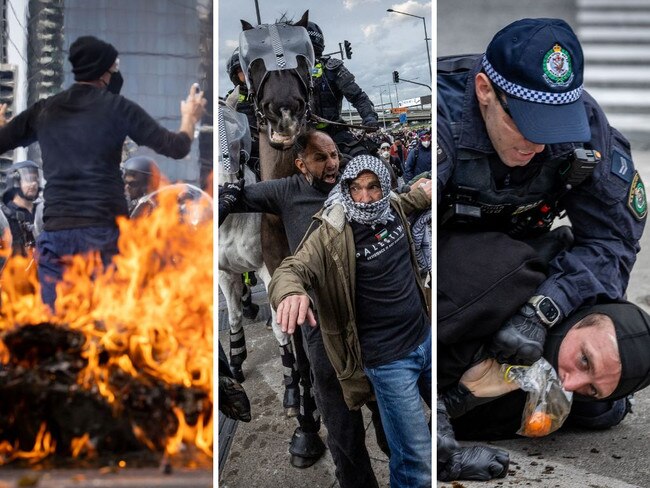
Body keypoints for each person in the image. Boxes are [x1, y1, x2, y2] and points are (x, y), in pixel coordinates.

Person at [437, 17, 647, 480]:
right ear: (484, 91)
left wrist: (546, 309)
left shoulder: (583, 125)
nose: (538, 142)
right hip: (443, 273)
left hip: (517, 270)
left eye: (553, 125)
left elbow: (613, 239)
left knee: (598, 403)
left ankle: (472, 393)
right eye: (524, 124)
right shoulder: (442, 119)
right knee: (518, 267)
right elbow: (390, 254)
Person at [227, 130, 420, 486]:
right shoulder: (285, 191)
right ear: (301, 164)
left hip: (372, 326)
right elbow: (238, 199)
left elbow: (400, 202)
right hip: (323, 329)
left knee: (390, 413)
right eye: (321, 158)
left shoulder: (351, 183)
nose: (332, 163)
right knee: (341, 423)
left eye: (334, 155)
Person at [0, 35, 206, 309]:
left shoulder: (46, 110)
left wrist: (5, 126)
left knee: (54, 325)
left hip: (57, 236)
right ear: (105, 71)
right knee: (105, 325)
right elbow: (177, 146)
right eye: (115, 67)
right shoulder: (118, 108)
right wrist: (189, 118)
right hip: (103, 235)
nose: (116, 73)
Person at [269, 154, 432, 488]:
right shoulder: (331, 232)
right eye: (356, 188)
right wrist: (289, 294)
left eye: (373, 187)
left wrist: (429, 189)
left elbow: (416, 196)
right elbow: (291, 268)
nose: (365, 197)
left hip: (426, 339)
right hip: (389, 362)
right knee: (417, 460)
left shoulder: (394, 207)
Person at [306, 21, 379, 158]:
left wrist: (369, 116)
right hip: (302, 137)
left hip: (336, 133)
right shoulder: (289, 71)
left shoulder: (332, 68)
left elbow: (358, 97)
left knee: (366, 160)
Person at [0, 160, 41, 256]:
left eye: (35, 179)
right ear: (15, 181)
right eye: (29, 179)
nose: (34, 183)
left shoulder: (42, 211)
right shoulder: (4, 215)